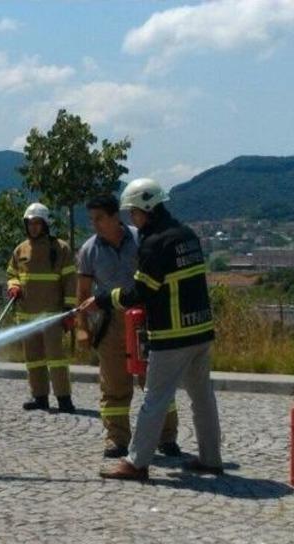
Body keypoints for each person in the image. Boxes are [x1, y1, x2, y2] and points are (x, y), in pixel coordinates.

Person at [80, 179, 223, 480]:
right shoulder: (187, 236)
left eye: (134, 212)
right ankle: (211, 459)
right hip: (200, 331)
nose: (132, 218)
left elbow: (141, 292)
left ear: (146, 208)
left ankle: (136, 462)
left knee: (154, 399)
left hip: (171, 335)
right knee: (203, 399)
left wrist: (104, 299)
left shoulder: (155, 243)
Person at [76, 194, 180, 459]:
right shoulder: (89, 250)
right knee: (113, 385)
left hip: (145, 323)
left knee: (156, 383)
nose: (95, 224)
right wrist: (82, 327)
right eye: (92, 219)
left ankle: (166, 438)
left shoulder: (141, 239)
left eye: (99, 218)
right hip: (110, 326)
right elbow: (83, 293)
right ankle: (117, 439)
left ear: (115, 216)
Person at [5, 202, 76, 413]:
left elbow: (70, 280)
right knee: (34, 360)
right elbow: (12, 274)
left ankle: (64, 399)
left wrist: (69, 310)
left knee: (56, 360)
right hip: (26, 316)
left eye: (38, 223)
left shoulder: (60, 248)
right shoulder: (20, 249)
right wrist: (14, 286)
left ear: (45, 225)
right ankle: (40, 397)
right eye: (30, 223)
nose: (34, 227)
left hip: (51, 315)